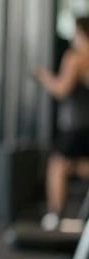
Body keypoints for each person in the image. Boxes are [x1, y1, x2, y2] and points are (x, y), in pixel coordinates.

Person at [35, 15, 89, 231]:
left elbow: (62, 89)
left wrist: (44, 77)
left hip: (76, 125)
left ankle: (55, 215)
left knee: (57, 166)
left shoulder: (75, 57)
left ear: (82, 33)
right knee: (73, 165)